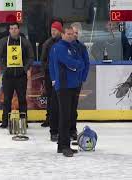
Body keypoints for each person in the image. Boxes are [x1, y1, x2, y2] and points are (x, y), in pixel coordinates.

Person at [49, 25, 84, 157]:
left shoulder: (73, 47)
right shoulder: (59, 48)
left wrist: (77, 65)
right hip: (64, 86)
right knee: (64, 117)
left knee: (69, 116)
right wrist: (77, 65)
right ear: (62, 35)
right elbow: (69, 61)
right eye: (68, 34)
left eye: (72, 34)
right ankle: (64, 146)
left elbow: (79, 61)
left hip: (72, 85)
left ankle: (62, 145)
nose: (71, 36)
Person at [0, 22, 34, 128]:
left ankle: (24, 121)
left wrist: (25, 69)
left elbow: (31, 57)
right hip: (8, 77)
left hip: (21, 77)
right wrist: (4, 69)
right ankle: (5, 122)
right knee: (7, 99)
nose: (13, 30)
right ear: (9, 30)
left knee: (22, 99)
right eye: (11, 28)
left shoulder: (25, 42)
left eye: (15, 28)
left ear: (19, 29)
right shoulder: (3, 42)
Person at [40, 21, 63, 142]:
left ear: (60, 31)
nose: (52, 32)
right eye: (51, 30)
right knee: (51, 98)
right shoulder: (47, 43)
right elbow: (43, 60)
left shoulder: (64, 42)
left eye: (55, 30)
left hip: (63, 77)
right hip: (50, 76)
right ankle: (49, 119)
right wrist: (48, 70)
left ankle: (62, 124)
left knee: (61, 100)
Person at [70, 22, 90, 140]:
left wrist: (82, 78)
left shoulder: (82, 47)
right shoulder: (63, 46)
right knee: (64, 108)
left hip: (76, 82)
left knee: (73, 107)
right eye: (73, 33)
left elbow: (86, 64)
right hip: (64, 82)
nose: (75, 35)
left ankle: (72, 129)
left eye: (77, 33)